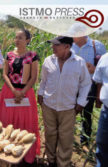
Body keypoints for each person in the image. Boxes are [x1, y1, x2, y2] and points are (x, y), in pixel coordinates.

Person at [38, 36, 91, 167]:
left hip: (68, 107)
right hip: (49, 105)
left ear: (67, 47)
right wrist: (40, 94)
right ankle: (51, 161)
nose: (52, 47)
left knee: (65, 138)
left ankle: (63, 163)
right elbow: (43, 81)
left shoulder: (79, 62)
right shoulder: (48, 61)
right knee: (50, 134)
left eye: (56, 45)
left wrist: (80, 103)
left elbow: (85, 84)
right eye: (53, 44)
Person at [0, 29, 40, 164]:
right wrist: (14, 91)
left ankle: (25, 154)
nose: (17, 40)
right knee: (8, 121)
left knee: (25, 122)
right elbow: (4, 74)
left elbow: (34, 77)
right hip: (9, 91)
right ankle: (6, 150)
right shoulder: (9, 55)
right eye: (16, 38)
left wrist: (22, 91)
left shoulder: (33, 56)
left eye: (20, 38)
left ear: (27, 40)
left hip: (26, 93)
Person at [72, 36, 107, 147]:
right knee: (68, 111)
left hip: (89, 85)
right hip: (71, 84)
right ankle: (68, 136)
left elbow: (104, 67)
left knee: (87, 113)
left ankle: (84, 141)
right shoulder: (70, 45)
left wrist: (94, 69)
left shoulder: (97, 46)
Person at [93, 53, 108, 167]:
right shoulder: (105, 58)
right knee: (102, 144)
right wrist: (98, 99)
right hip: (106, 111)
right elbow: (99, 81)